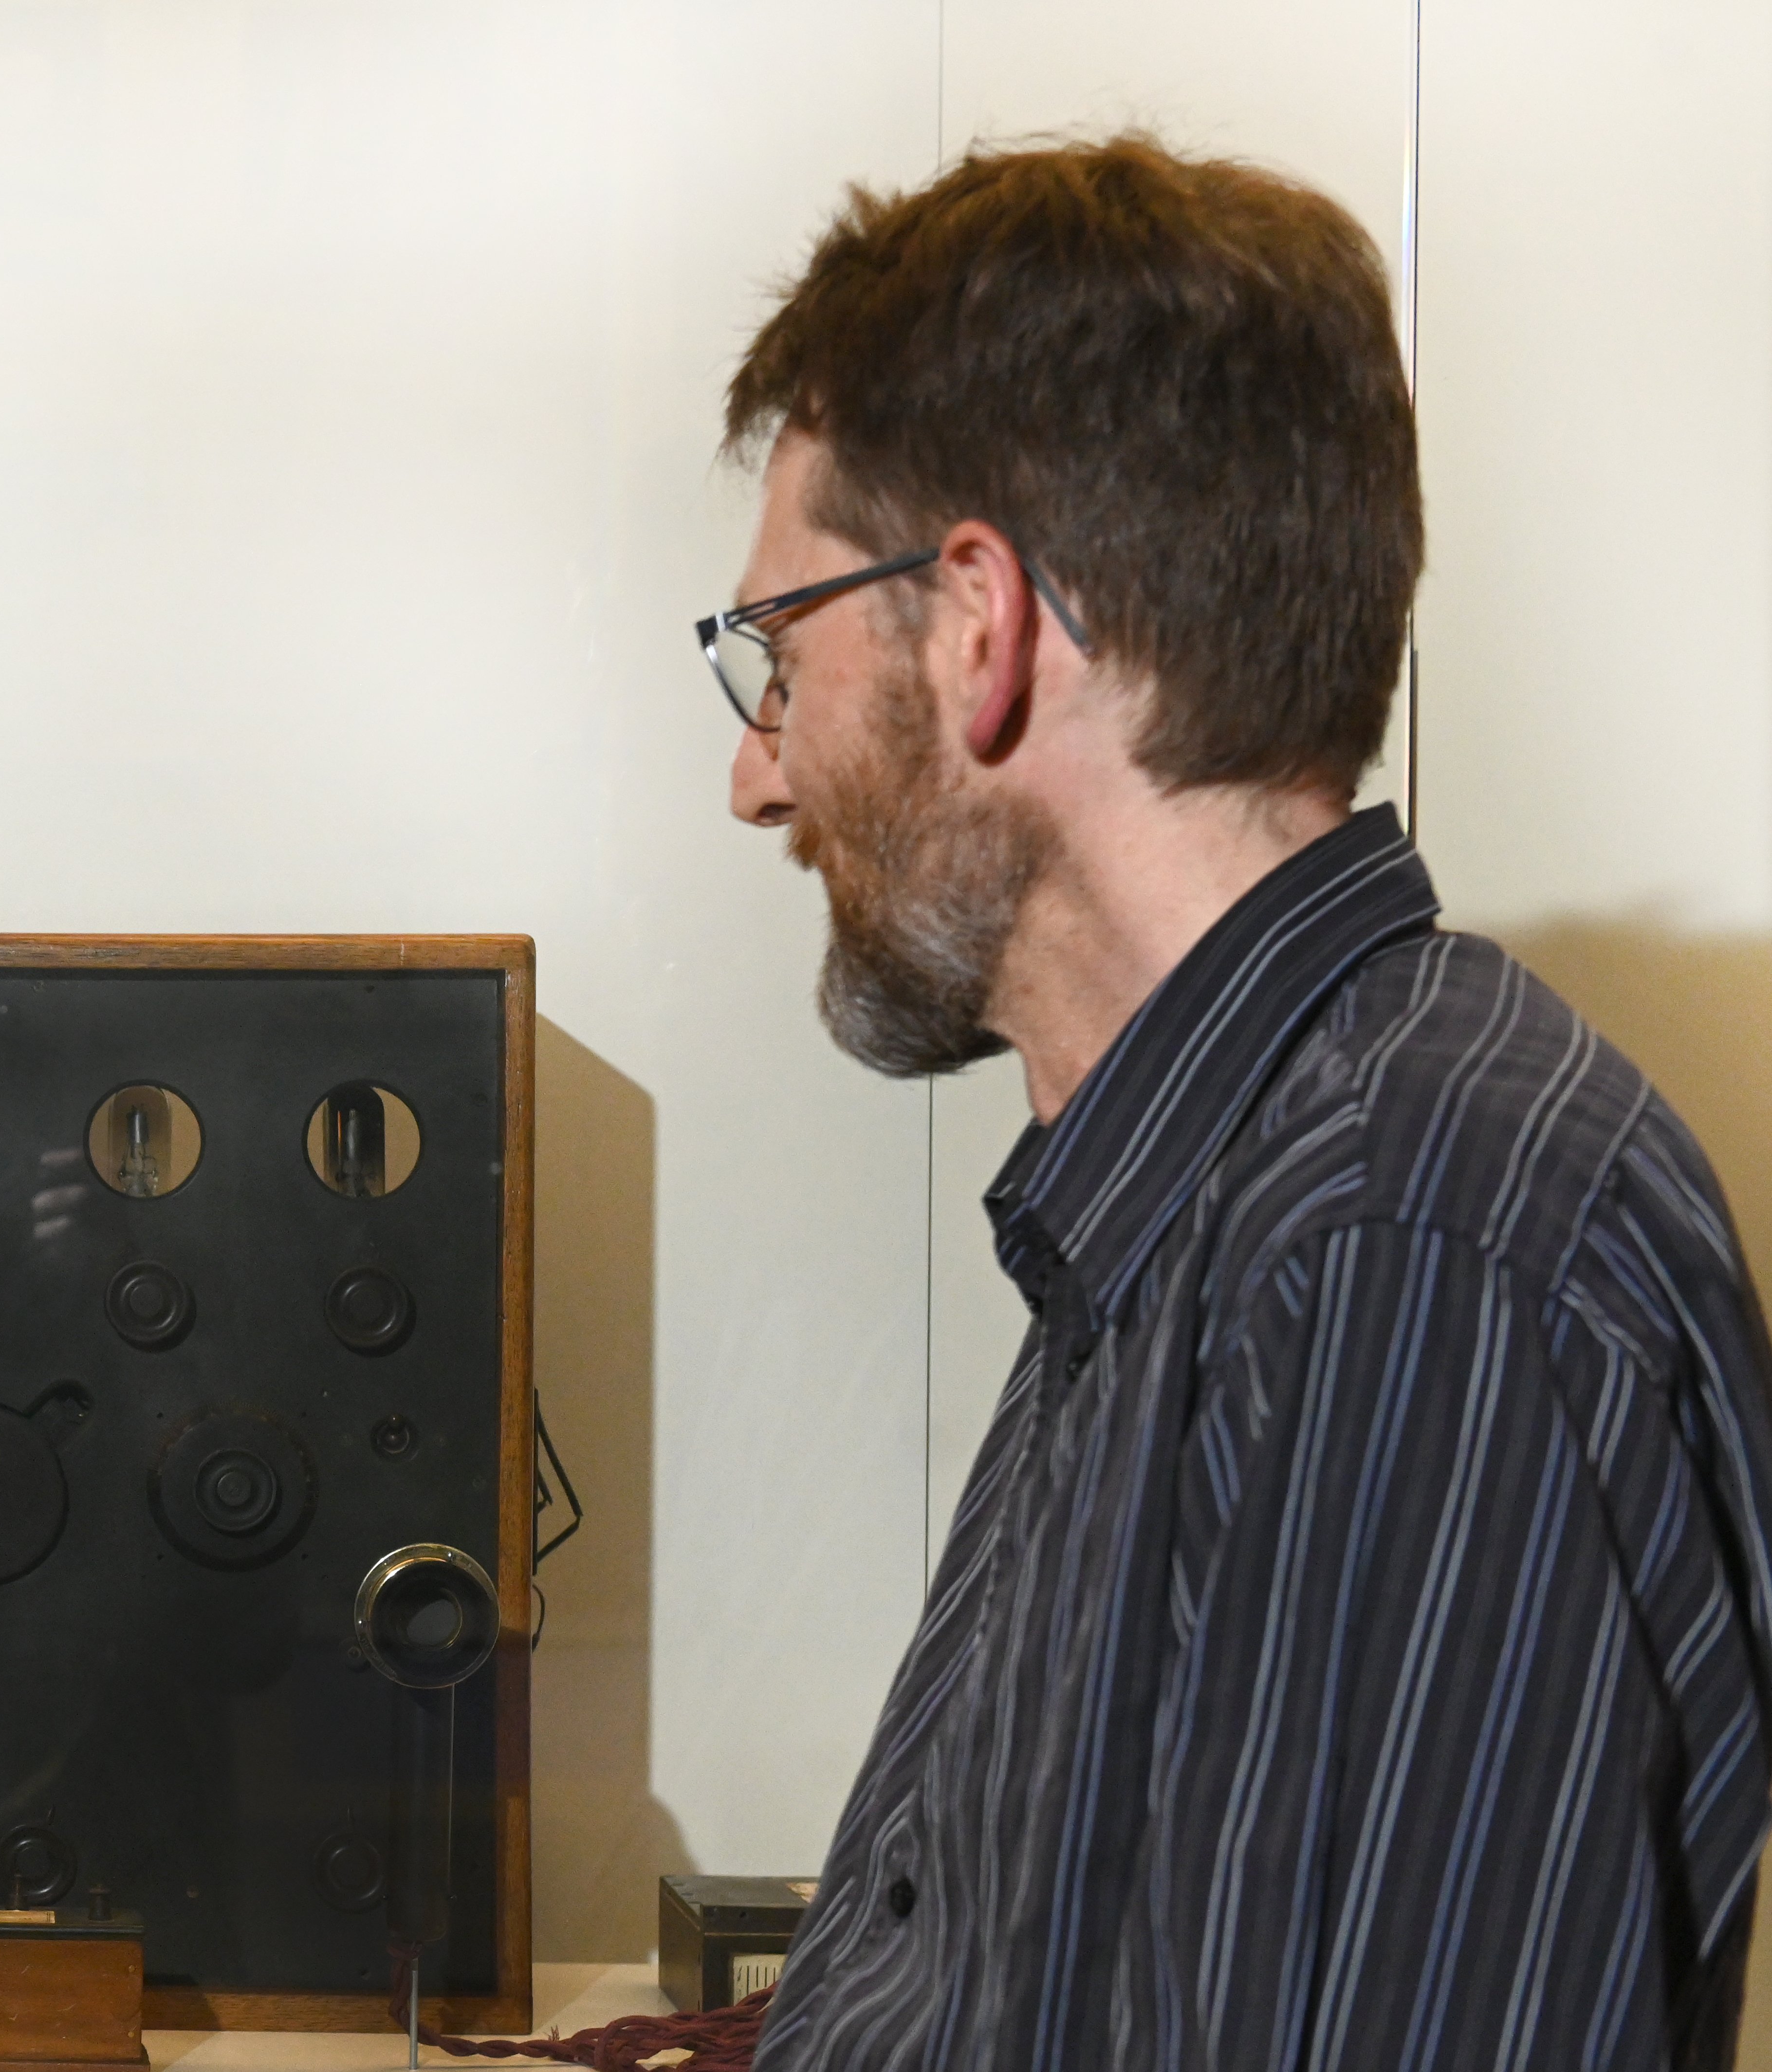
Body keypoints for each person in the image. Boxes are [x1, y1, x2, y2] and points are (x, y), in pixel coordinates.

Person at [708, 135, 1772, 2070]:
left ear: (972, 625)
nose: (755, 782)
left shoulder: (1402, 1248)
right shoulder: (1209, 1198)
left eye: (776, 654)